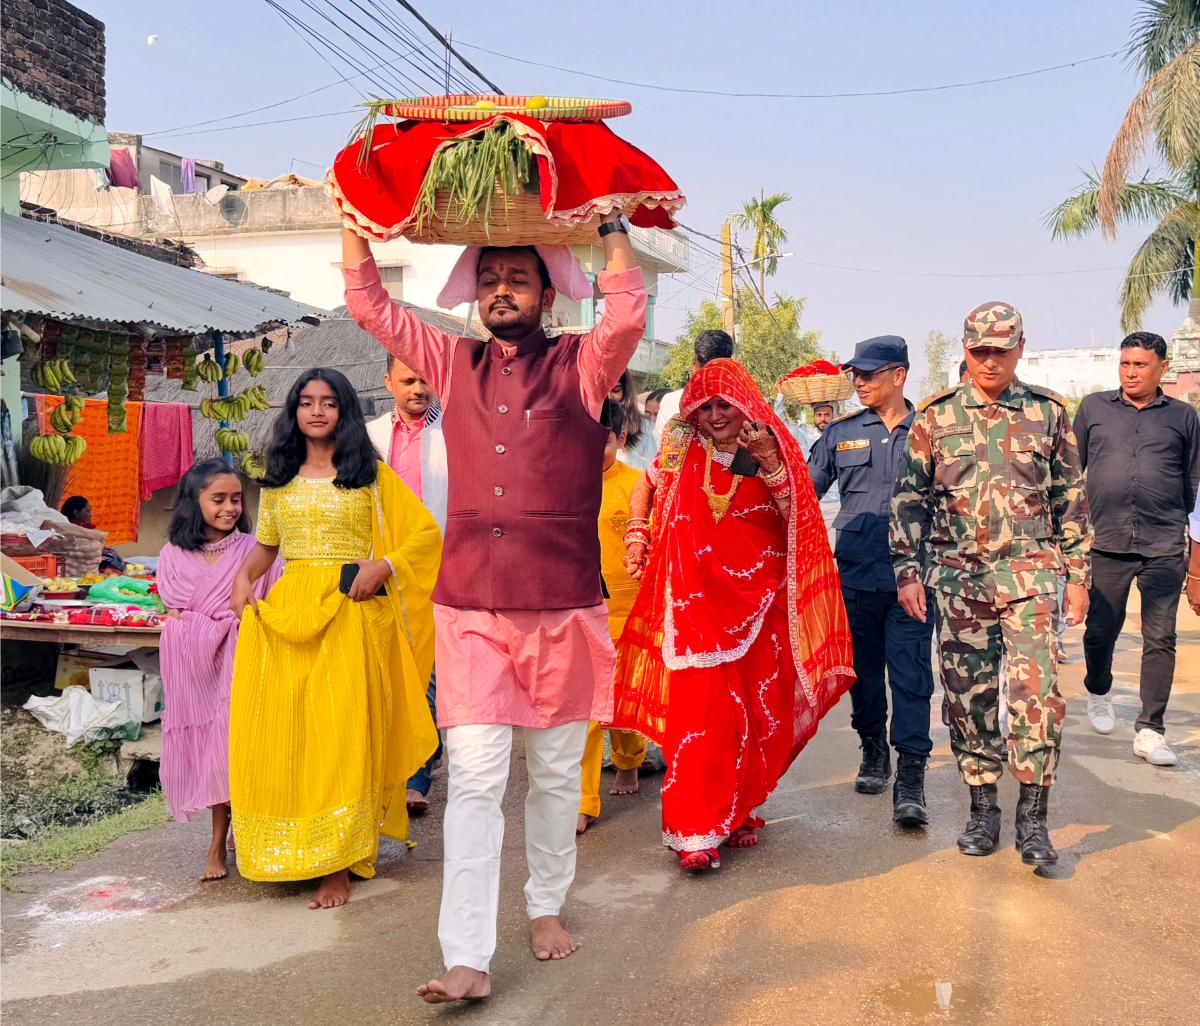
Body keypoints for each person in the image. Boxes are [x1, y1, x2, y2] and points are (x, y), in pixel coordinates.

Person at [341, 212, 645, 1003]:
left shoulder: (582, 366)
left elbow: (628, 313)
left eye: (517, 278)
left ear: (548, 292)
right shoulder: (451, 360)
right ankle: (468, 956)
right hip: (470, 607)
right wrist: (354, 228)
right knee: (474, 783)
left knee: (549, 777)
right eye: (488, 280)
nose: (500, 291)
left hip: (564, 605)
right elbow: (372, 305)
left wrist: (609, 226)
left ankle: (545, 908)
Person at [615, 358, 855, 872]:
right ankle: (693, 831)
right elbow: (646, 486)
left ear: (744, 403)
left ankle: (738, 810)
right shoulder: (681, 445)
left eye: (725, 403)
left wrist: (770, 467)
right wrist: (639, 532)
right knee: (700, 716)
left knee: (753, 714)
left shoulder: (770, 446)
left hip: (759, 606)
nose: (716, 414)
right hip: (693, 603)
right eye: (706, 405)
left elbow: (800, 519)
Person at [227, 368, 441, 910]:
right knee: (291, 732)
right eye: (306, 402)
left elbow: (425, 535)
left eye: (328, 403)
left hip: (352, 613)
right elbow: (266, 548)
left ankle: (340, 863)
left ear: (345, 412)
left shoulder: (369, 476)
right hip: (289, 615)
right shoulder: (277, 480)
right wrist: (242, 578)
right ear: (294, 411)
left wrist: (385, 565)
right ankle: (296, 848)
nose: (316, 411)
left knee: (342, 733)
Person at [891, 302, 1091, 869]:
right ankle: (983, 809)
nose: (988, 361)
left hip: (1029, 579)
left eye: (1000, 351)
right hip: (959, 584)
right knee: (967, 700)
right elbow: (909, 501)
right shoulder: (936, 417)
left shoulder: (1049, 413)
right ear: (965, 349)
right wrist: (908, 573)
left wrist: (1078, 577)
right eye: (978, 351)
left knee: (1039, 698)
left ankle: (1033, 818)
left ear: (1019, 348)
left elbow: (1069, 500)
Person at [808, 336, 934, 826]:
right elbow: (803, 488)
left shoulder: (930, 430)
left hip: (915, 581)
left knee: (911, 679)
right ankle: (873, 750)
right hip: (858, 576)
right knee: (862, 675)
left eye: (869, 374)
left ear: (898, 375)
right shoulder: (840, 434)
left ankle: (911, 775)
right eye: (854, 375)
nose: (858, 382)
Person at [1073, 332, 1200, 767]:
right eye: (1125, 364)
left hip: (1164, 544)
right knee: (1100, 632)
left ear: (1162, 367)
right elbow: (1071, 476)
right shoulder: (1094, 409)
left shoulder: (1183, 417)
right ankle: (1099, 690)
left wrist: (1196, 562)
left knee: (1160, 637)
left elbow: (1194, 487)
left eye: (1140, 365)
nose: (1130, 372)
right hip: (1106, 543)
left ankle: (1150, 729)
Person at [157, 460, 279, 881]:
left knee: (231, 748)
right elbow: (173, 610)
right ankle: (223, 840)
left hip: (241, 659)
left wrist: (214, 621)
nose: (230, 508)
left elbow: (268, 600)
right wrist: (202, 624)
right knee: (209, 747)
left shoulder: (254, 550)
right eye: (218, 499)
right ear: (195, 502)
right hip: (193, 672)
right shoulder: (172, 555)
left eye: (236, 499)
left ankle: (221, 844)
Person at [366, 354, 448, 814]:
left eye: (424, 380)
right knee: (385, 672)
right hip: (380, 568)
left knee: (427, 675)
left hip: (437, 566)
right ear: (389, 382)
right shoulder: (370, 436)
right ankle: (385, 774)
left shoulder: (452, 434)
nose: (418, 388)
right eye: (408, 380)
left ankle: (416, 777)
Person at [577, 399, 647, 835]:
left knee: (624, 702)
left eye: (601, 437)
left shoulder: (638, 485)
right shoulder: (563, 486)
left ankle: (628, 760)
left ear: (619, 439)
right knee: (586, 708)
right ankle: (583, 798)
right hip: (581, 611)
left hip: (630, 611)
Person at [652, 329, 735, 441]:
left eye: (724, 406)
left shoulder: (742, 405)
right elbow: (661, 451)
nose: (714, 416)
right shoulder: (671, 402)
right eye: (705, 407)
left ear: (694, 365)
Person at [60, 496, 125, 573]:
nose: (90, 515)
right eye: (87, 511)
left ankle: (119, 569)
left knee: (110, 552)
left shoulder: (83, 528)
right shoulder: (72, 528)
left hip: (84, 559)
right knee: (109, 556)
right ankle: (118, 570)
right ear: (76, 513)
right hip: (78, 560)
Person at [610, 369, 656, 470]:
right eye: (603, 391)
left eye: (616, 390)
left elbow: (651, 468)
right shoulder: (585, 424)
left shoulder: (643, 425)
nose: (609, 397)